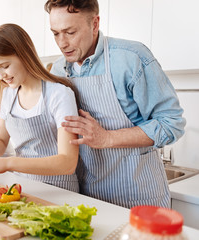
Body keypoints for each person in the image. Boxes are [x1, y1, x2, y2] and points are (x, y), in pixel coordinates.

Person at [44, 0, 186, 208]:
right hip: (87, 199)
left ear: (94, 24)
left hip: (139, 199)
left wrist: (107, 138)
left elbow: (171, 123)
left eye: (70, 32)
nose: (62, 43)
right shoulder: (58, 70)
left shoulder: (131, 58)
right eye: (55, 33)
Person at [0, 24, 79, 192]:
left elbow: (67, 162)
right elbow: (0, 139)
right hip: (22, 187)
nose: (0, 75)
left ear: (24, 55)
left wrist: (7, 163)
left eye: (5, 66)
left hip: (59, 191)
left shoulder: (59, 94)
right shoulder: (9, 95)